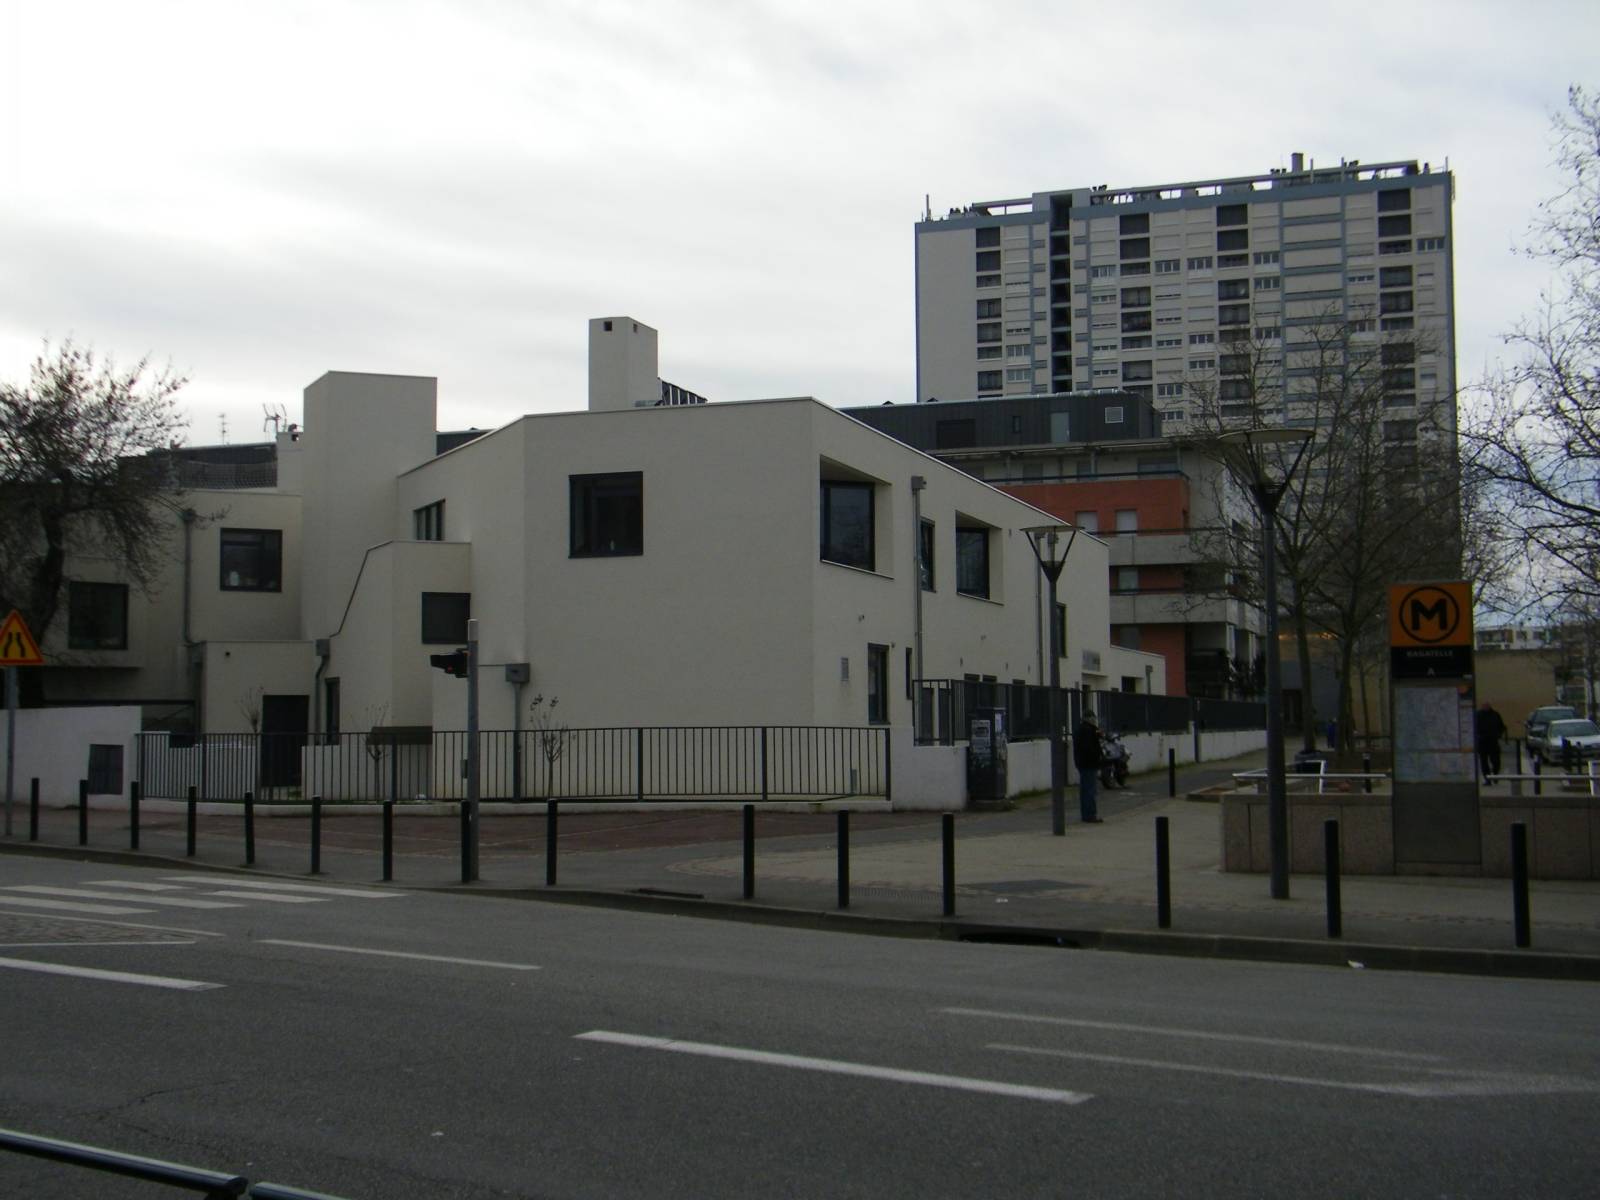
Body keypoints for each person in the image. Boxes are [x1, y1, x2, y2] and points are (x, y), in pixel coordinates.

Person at [1073, 712, 1104, 823]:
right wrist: (1097, 757)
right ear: (1089, 719)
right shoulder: (1087, 730)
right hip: (1089, 764)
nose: (1094, 719)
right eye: (1093, 717)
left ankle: (1086, 814)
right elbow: (1089, 747)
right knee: (1090, 790)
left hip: (1083, 763)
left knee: (1085, 789)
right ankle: (1090, 815)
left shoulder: (1083, 729)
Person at [1476, 702, 1506, 783]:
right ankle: (1487, 779)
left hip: (1493, 741)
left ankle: (1495, 775)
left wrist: (1498, 735)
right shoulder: (1478, 715)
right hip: (1482, 742)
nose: (1485, 707)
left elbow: (1501, 726)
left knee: (1496, 761)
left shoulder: (1495, 715)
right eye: (1484, 706)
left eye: (1487, 706)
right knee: (1484, 762)